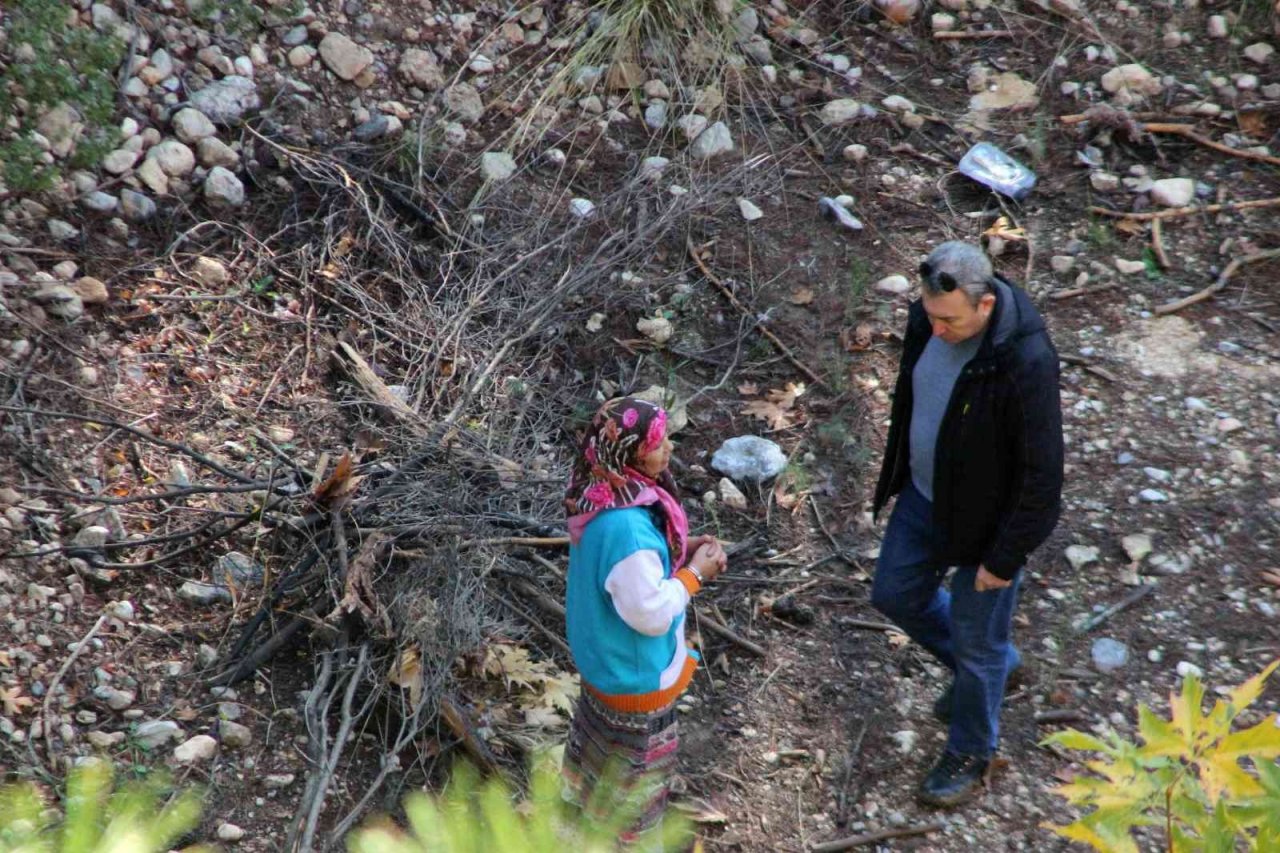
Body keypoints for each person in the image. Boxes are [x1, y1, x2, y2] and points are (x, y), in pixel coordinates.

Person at [869, 241, 1064, 807]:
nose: (935, 331)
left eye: (948, 321)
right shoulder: (928, 318)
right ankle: (1000, 669)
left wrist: (1003, 560)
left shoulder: (1024, 360)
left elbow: (1042, 477)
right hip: (925, 497)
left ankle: (972, 751)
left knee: (978, 647)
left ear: (984, 305)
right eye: (929, 316)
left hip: (988, 528)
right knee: (894, 594)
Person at [561, 396, 727, 845]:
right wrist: (694, 575)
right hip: (633, 690)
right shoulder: (629, 531)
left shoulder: (599, 497)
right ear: (629, 453)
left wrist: (676, 546)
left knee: (596, 781)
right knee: (633, 791)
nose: (668, 448)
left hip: (603, 673)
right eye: (656, 443)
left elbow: (624, 572)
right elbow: (650, 613)